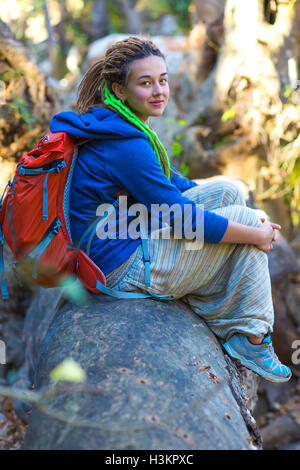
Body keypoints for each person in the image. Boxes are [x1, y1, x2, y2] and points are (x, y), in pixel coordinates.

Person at [50, 36, 291, 383]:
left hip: (127, 236)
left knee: (226, 191)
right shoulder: (126, 145)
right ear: (119, 89)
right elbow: (180, 218)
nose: (159, 90)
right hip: (118, 267)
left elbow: (173, 185)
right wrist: (253, 232)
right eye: (145, 83)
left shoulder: (117, 125)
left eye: (162, 79)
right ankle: (251, 338)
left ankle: (217, 296)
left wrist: (232, 212)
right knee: (243, 222)